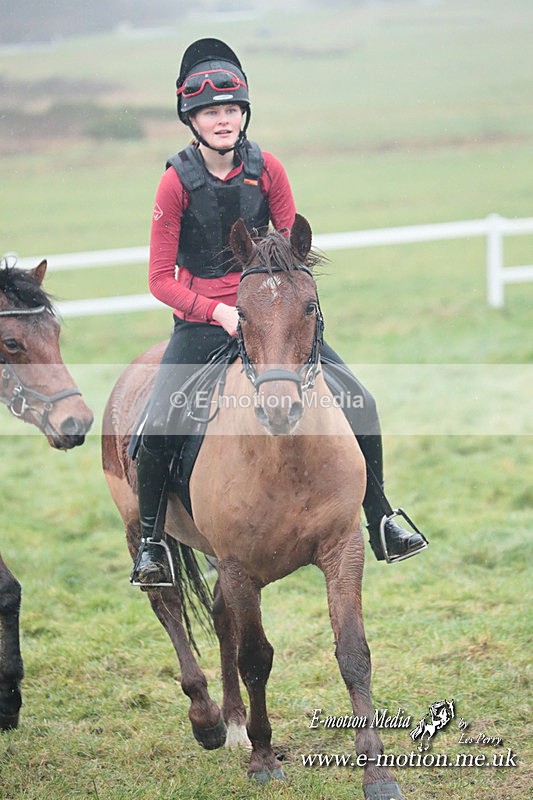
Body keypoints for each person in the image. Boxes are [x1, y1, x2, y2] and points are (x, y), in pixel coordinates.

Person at [131, 38, 427, 586]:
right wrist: (216, 313)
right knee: (158, 423)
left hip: (270, 318)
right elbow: (158, 280)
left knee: (358, 397)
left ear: (244, 114)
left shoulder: (268, 169)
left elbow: (294, 256)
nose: (223, 120)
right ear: (191, 120)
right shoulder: (174, 183)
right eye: (210, 112)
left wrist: (284, 309)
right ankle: (151, 544)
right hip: (203, 322)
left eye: (231, 109)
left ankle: (382, 516)